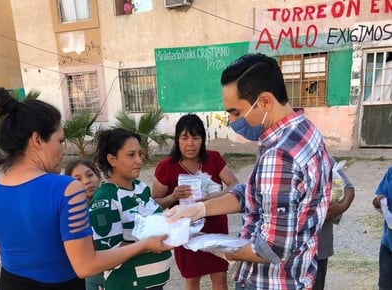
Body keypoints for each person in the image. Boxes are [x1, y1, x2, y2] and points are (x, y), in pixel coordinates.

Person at [164, 53, 332, 290]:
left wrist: (227, 250)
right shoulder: (304, 130)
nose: (232, 121)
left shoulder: (279, 156)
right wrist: (198, 209)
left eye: (236, 112)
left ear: (264, 102)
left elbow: (273, 247)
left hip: (270, 282)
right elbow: (255, 193)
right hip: (298, 274)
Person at [0, 87, 172, 290]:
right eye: (60, 140)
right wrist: (144, 245)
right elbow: (86, 266)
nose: (62, 149)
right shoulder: (65, 189)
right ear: (37, 140)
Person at [152, 113, 239, 290]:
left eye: (195, 138)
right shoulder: (166, 167)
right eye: (184, 138)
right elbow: (155, 203)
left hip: (216, 229)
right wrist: (173, 197)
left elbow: (234, 185)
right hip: (186, 233)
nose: (190, 144)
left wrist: (213, 198)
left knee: (220, 279)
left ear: (203, 139)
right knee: (192, 280)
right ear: (177, 140)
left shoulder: (214, 158)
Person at [89, 128, 172, 290]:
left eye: (139, 154)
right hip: (129, 284)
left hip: (154, 284)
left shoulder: (140, 188)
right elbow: (108, 251)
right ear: (112, 159)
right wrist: (146, 244)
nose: (139, 160)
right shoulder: (106, 199)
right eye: (131, 155)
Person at [313, 159, 355, 290]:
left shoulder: (322, 156)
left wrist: (341, 206)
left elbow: (349, 188)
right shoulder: (276, 157)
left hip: (319, 247)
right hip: (288, 250)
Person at [64, 159, 105, 290]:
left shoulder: (113, 200)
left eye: (89, 175)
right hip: (92, 275)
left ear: (98, 176)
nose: (86, 181)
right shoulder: (72, 213)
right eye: (78, 179)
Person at [372, 166, 392, 290]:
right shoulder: (391, 172)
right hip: (388, 244)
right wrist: (378, 201)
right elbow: (381, 194)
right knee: (385, 285)